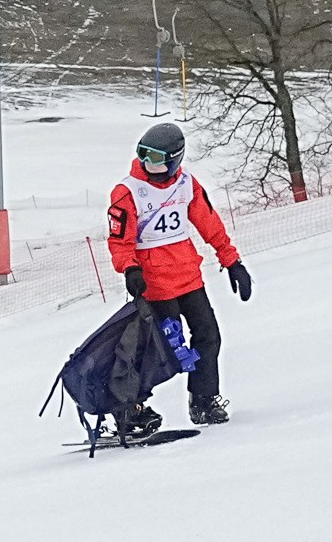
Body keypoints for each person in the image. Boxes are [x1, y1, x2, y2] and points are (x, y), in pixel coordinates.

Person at [106, 120, 251, 436]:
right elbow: (119, 240)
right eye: (144, 156)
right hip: (154, 286)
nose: (149, 165)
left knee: (208, 336)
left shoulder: (187, 184)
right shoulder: (127, 191)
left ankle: (203, 400)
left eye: (157, 159)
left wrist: (232, 261)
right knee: (163, 350)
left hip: (188, 279)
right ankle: (131, 407)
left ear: (175, 159)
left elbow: (209, 224)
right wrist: (130, 268)